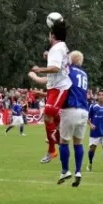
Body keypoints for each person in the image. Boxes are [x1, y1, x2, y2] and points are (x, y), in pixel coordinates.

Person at [29, 50, 88, 187]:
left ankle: (65, 170)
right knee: (78, 143)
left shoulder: (67, 70)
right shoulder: (84, 74)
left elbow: (56, 77)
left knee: (64, 142)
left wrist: (48, 54)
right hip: (84, 111)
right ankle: (78, 171)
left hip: (70, 109)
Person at [30, 19, 72, 163]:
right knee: (51, 117)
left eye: (49, 34)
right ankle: (58, 142)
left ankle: (52, 150)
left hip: (61, 87)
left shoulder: (57, 48)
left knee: (48, 116)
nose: (48, 37)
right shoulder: (62, 46)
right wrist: (49, 56)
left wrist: (39, 69)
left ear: (52, 35)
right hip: (53, 87)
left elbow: (56, 68)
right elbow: (62, 62)